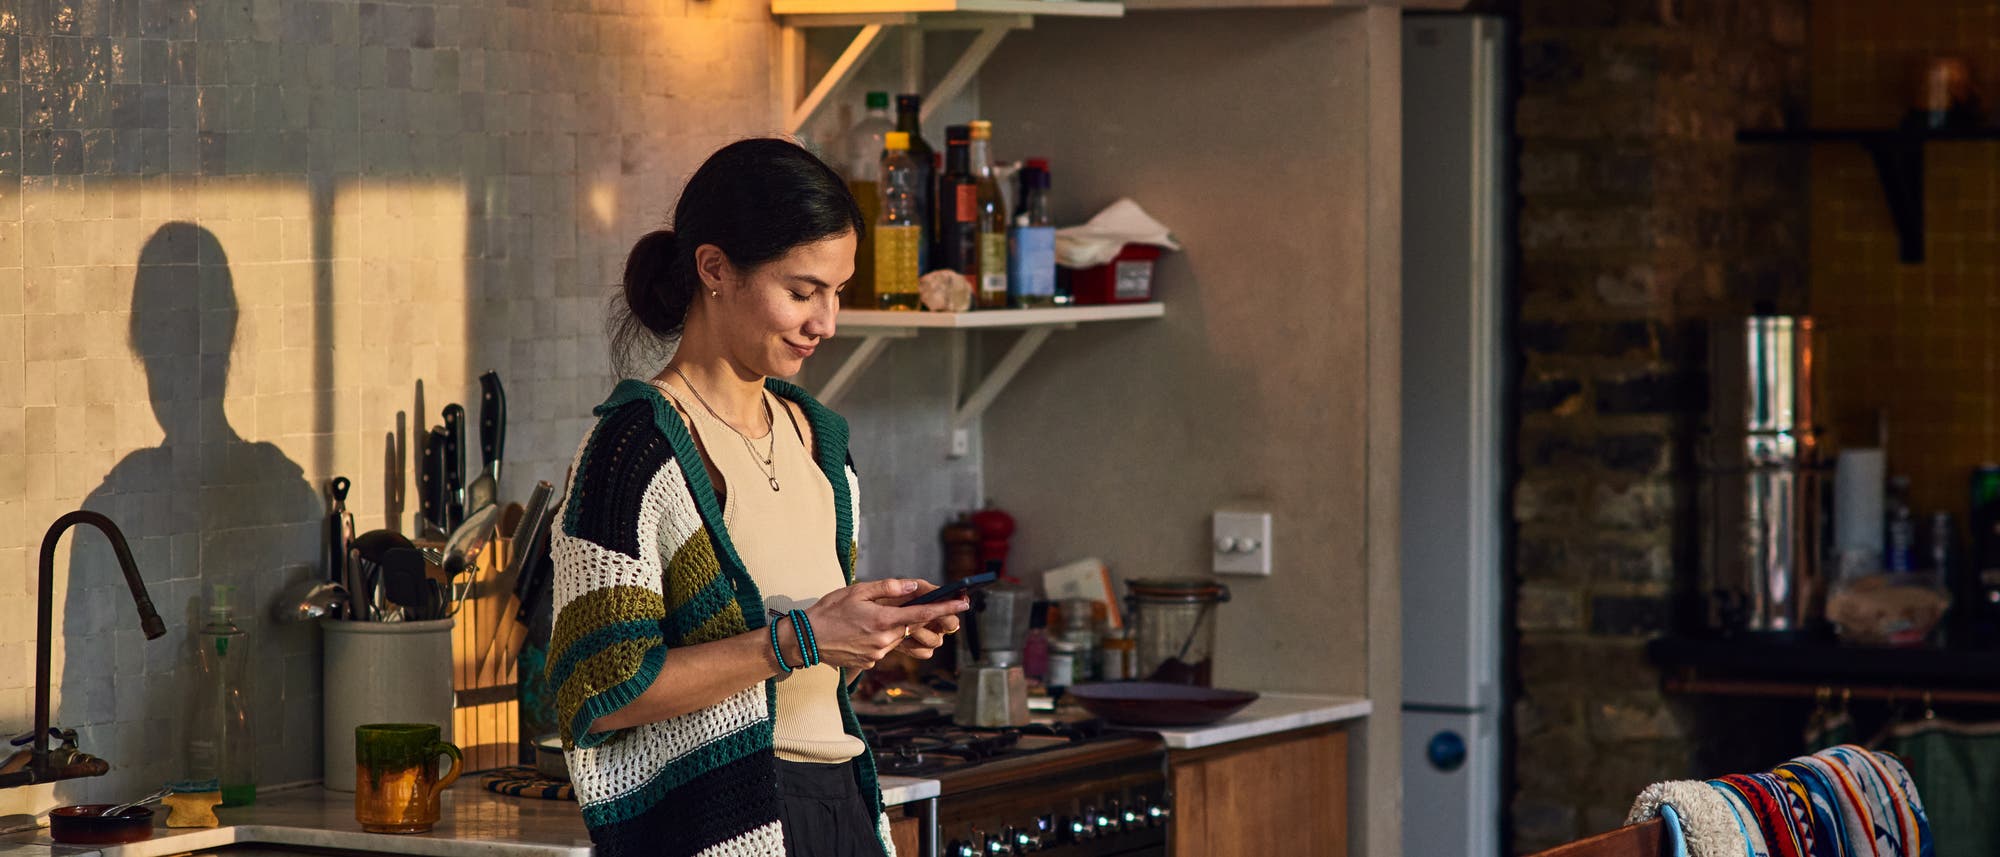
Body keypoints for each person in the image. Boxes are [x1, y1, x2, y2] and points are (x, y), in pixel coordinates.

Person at [551, 138, 967, 857]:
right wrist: (802, 637)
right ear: (714, 269)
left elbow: (800, 668)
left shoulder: (824, 444)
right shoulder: (634, 448)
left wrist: (880, 639)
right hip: (726, 824)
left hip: (841, 807)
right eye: (802, 292)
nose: (826, 322)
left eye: (837, 292)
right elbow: (604, 687)